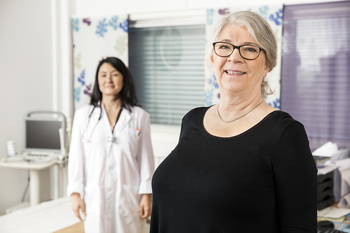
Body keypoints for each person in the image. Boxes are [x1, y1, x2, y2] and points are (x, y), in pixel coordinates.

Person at [150, 11, 317, 233]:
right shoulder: (192, 120)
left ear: (268, 65)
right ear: (213, 57)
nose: (234, 57)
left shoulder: (285, 134)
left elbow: (299, 228)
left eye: (249, 49)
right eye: (225, 46)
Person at [67, 57, 154, 233]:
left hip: (128, 197)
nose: (108, 80)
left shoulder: (139, 116)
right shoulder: (83, 116)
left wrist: (146, 194)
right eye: (103, 75)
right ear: (97, 80)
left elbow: (145, 159)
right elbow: (76, 158)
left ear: (124, 79)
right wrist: (75, 194)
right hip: (95, 196)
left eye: (114, 74)